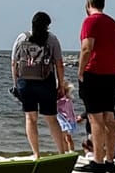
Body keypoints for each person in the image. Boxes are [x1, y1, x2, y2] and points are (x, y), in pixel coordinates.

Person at [10, 11, 72, 158]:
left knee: (30, 119)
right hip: (46, 82)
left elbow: (14, 63)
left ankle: (36, 154)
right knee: (51, 118)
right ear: (47, 26)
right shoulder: (52, 39)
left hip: (25, 83)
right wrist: (60, 85)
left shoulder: (21, 37)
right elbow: (59, 65)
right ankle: (61, 153)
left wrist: (16, 84)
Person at [76, 0, 115, 173]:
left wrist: (81, 71)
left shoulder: (90, 21)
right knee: (109, 117)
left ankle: (97, 160)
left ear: (88, 4)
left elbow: (87, 47)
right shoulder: (114, 23)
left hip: (94, 72)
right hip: (112, 73)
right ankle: (110, 159)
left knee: (95, 118)